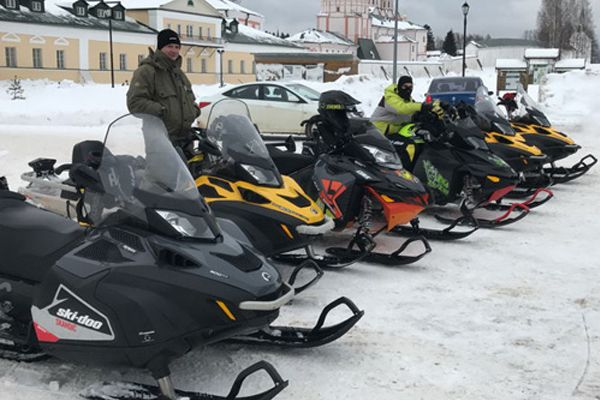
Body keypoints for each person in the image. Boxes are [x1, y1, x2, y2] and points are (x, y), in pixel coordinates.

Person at [127, 29, 200, 146]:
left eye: (177, 47)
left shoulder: (178, 73)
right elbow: (135, 103)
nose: (174, 50)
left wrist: (194, 110)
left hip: (185, 139)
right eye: (170, 46)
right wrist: (162, 111)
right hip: (160, 140)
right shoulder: (147, 71)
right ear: (160, 48)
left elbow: (189, 98)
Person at [370, 75, 444, 137]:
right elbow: (402, 108)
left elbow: (413, 109)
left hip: (395, 129)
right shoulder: (389, 97)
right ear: (399, 86)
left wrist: (435, 107)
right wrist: (422, 106)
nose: (408, 89)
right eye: (405, 86)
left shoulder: (406, 98)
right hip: (379, 132)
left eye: (410, 87)